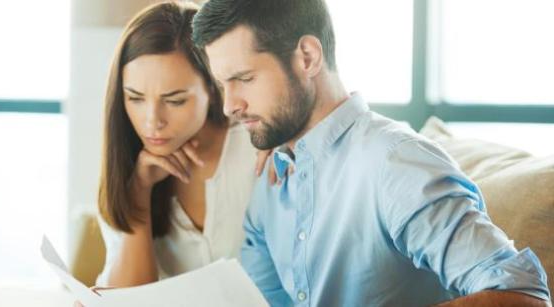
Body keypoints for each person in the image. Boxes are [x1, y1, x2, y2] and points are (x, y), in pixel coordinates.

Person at [192, 0, 552, 306]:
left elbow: (523, 295)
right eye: (222, 84)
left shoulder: (395, 163)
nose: (229, 106)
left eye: (244, 78)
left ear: (307, 57)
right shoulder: (270, 185)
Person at [94, 1, 273, 290]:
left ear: (213, 90)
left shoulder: (260, 151)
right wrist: (139, 192)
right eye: (135, 98)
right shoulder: (125, 166)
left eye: (175, 100)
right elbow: (127, 298)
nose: (152, 122)